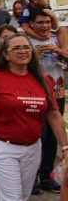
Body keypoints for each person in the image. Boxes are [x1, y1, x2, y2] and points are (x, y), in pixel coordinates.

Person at [0, 33, 68, 200]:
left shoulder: (41, 80)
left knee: (24, 196)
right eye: (16, 48)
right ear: (5, 54)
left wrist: (65, 147)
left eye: (26, 47)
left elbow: (54, 115)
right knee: (13, 198)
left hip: (33, 148)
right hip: (3, 148)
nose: (23, 51)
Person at [26, 10, 68, 194]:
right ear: (32, 24)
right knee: (38, 136)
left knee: (52, 139)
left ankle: (46, 176)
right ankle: (32, 177)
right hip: (35, 96)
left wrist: (58, 51)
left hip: (57, 94)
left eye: (47, 22)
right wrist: (34, 54)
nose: (44, 26)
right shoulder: (27, 41)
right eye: (40, 22)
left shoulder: (57, 38)